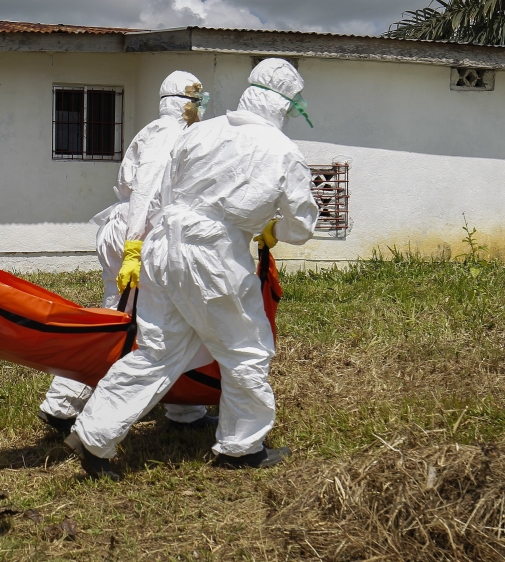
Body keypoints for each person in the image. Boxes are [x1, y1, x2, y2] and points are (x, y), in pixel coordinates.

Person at [64, 59, 320, 479]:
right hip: (214, 255)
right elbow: (302, 226)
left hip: (163, 247)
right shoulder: (283, 151)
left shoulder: (202, 130)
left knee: (156, 351)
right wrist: (273, 228)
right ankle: (241, 447)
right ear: (284, 105)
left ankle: (94, 436)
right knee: (246, 350)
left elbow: (164, 191)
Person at [39, 71, 218, 437]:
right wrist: (136, 245)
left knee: (159, 321)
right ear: (183, 101)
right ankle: (62, 405)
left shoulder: (154, 130)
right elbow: (145, 189)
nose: (200, 107)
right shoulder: (171, 133)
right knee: (124, 324)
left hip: (134, 231)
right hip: (140, 233)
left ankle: (185, 409)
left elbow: (127, 185)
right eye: (196, 100)